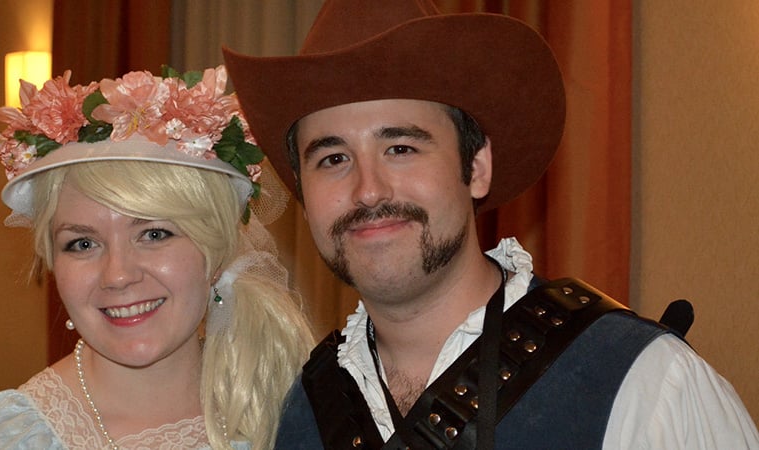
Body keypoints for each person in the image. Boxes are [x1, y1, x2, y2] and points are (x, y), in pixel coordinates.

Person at [222, 0, 759, 448]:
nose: (368, 189)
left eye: (401, 147)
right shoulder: (297, 412)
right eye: (333, 159)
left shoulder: (645, 382)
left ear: (475, 167)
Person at [0, 65, 314, 449]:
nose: (117, 275)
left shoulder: (290, 413)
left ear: (215, 254)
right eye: (83, 244)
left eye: (153, 234)